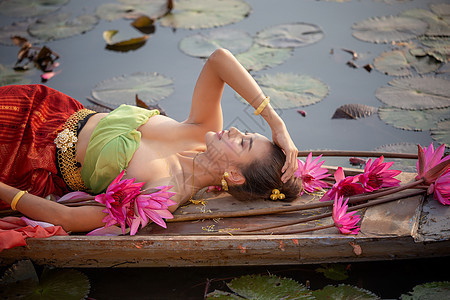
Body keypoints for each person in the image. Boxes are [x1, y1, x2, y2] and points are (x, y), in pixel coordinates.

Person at [0, 48, 301, 233]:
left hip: (20, 162)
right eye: (247, 133)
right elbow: (218, 59)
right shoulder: (202, 129)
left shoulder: (160, 196)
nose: (236, 131)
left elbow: (65, 217)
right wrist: (276, 123)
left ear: (234, 174)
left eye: (243, 143)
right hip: (40, 107)